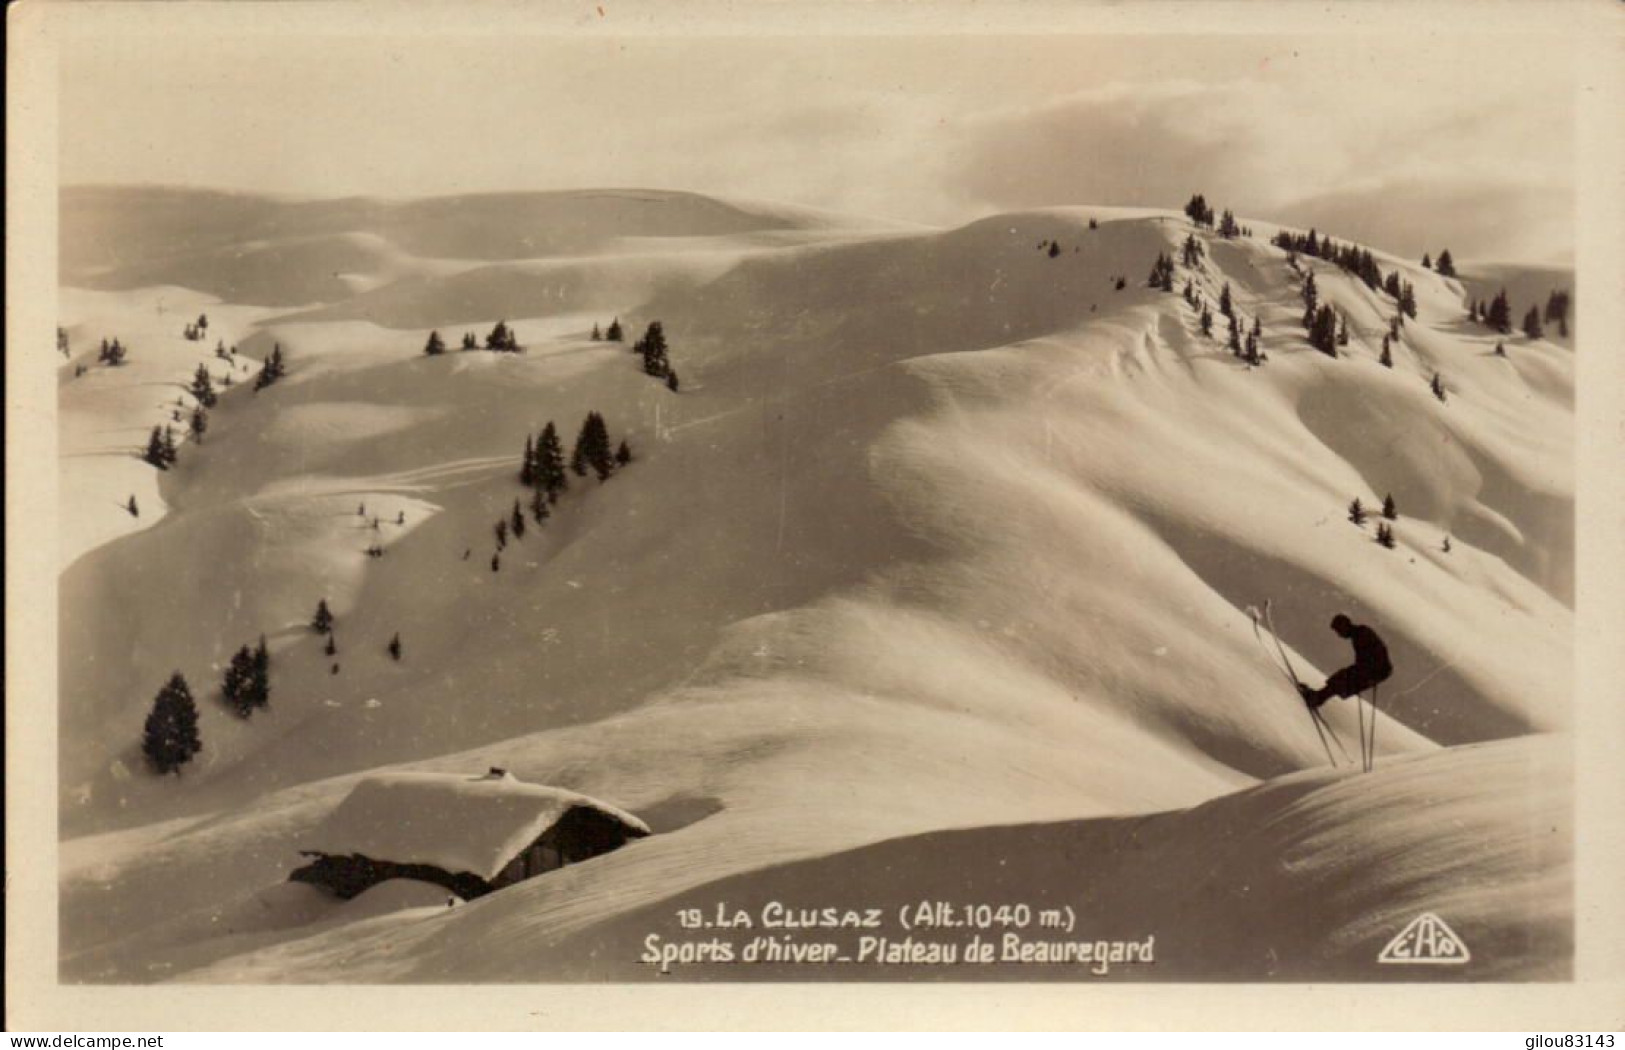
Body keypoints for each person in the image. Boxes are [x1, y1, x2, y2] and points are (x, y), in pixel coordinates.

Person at [1299, 614, 1391, 709]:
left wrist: (1371, 674)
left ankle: (1316, 699)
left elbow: (1375, 654)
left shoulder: (1361, 634)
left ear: (1344, 626)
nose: (1339, 635)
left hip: (1374, 670)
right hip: (1374, 670)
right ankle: (1317, 697)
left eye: (1339, 631)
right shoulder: (1360, 632)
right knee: (1341, 680)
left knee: (1341, 680)